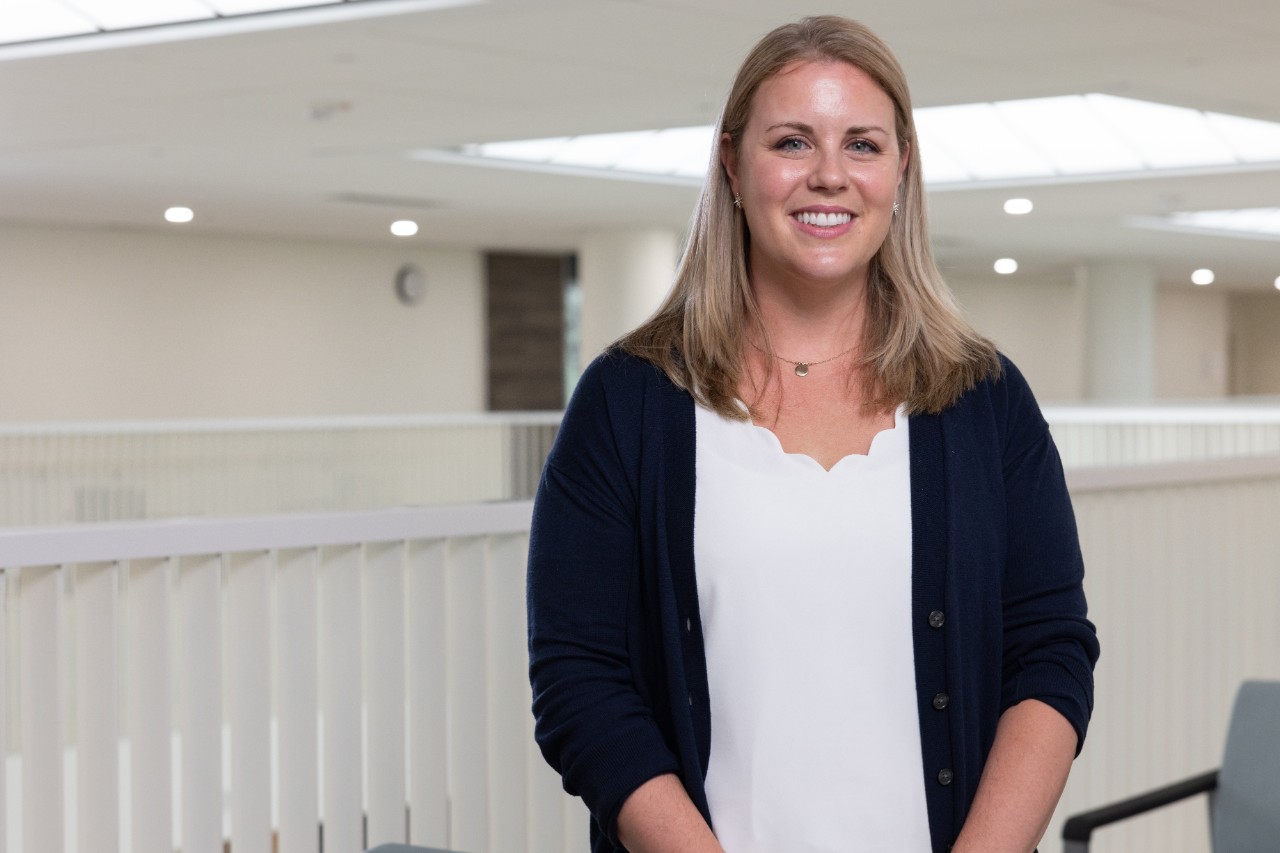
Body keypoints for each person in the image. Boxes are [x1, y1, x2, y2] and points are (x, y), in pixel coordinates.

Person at [527, 15, 1099, 853]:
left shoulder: (985, 399)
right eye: (793, 142)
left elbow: (1050, 650)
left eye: (862, 144)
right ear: (732, 163)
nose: (829, 176)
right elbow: (580, 680)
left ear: (901, 168)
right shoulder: (627, 403)